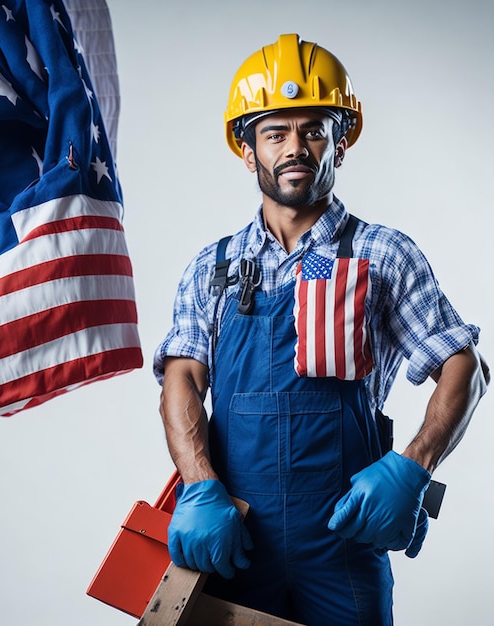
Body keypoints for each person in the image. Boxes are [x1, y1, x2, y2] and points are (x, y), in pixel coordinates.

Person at [153, 33, 489, 625]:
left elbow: (464, 366)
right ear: (247, 148)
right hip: (235, 542)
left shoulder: (383, 255)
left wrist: (412, 467)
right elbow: (181, 376)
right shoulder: (213, 267)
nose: (295, 148)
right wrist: (200, 487)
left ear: (341, 141)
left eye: (313, 130)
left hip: (343, 541)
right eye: (275, 132)